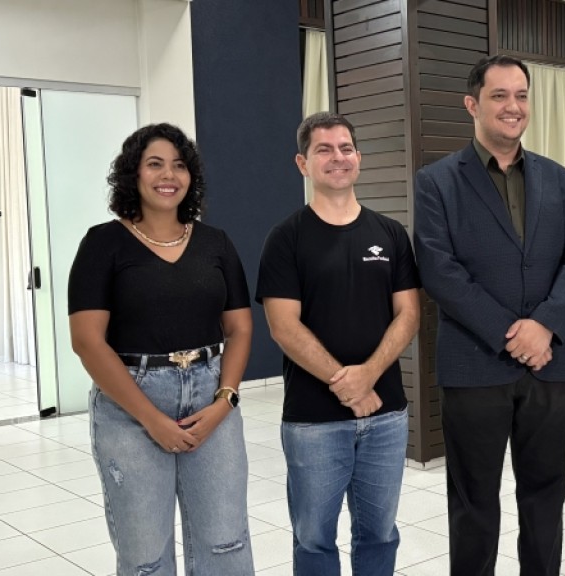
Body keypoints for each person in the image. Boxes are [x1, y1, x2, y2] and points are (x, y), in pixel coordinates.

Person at [414, 55, 565, 576]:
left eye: (521, 95)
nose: (513, 106)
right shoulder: (436, 181)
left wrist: (546, 326)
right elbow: (439, 270)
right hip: (475, 364)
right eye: (499, 95)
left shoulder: (558, 179)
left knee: (546, 495)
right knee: (474, 502)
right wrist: (510, 333)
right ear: (472, 104)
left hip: (549, 365)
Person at [69, 123, 254, 575]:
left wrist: (224, 400)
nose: (169, 175)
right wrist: (152, 419)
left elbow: (240, 329)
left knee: (225, 543)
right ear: (133, 173)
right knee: (145, 555)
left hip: (211, 399)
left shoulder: (216, 242)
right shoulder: (102, 244)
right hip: (130, 404)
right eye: (155, 164)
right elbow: (87, 342)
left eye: (179, 165)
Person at [257, 112, 420, 576]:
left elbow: (409, 314)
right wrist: (346, 383)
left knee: (380, 534)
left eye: (345, 148)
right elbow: (283, 326)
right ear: (302, 163)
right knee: (313, 541)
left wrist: (368, 376)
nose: (338, 157)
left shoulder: (390, 234)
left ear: (358, 158)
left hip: (385, 416)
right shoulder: (285, 239)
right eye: (324, 149)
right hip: (314, 421)